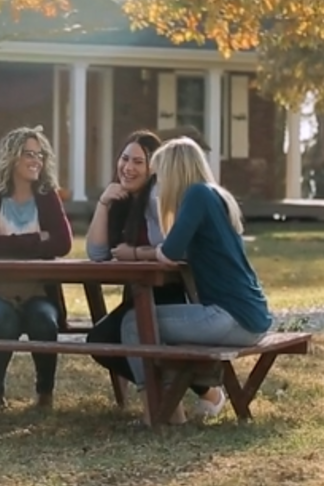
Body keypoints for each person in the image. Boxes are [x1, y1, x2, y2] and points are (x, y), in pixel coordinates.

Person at [120, 136, 274, 425]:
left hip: (231, 317)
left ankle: (156, 413)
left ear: (175, 172)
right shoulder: (215, 195)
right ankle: (170, 409)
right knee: (146, 324)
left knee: (133, 323)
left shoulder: (197, 195)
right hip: (250, 316)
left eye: (161, 176)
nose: (158, 186)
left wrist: (135, 253)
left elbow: (169, 252)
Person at [83, 130, 224, 417]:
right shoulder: (121, 199)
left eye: (138, 162)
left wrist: (136, 253)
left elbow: (172, 248)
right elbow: (97, 254)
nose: (128, 167)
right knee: (102, 340)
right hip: (138, 291)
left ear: (154, 168)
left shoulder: (160, 197)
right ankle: (183, 399)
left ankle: (169, 407)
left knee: (109, 338)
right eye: (125, 159)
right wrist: (104, 202)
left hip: (170, 291)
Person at [0, 126, 73, 410]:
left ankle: (45, 394)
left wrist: (5, 240)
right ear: (12, 156)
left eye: (40, 155)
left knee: (44, 322)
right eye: (29, 154)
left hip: (38, 292)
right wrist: (38, 239)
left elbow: (63, 243)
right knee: (5, 322)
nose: (36, 160)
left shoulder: (47, 197)